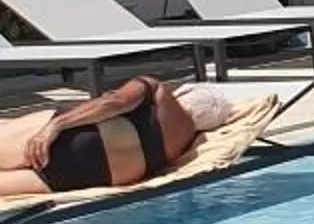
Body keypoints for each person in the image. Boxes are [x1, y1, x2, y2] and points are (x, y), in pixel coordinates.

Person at [0, 77, 255, 199]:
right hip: (86, 174)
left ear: (186, 94)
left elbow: (113, 102)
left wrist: (55, 126)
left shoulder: (160, 94)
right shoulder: (183, 149)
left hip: (79, 138)